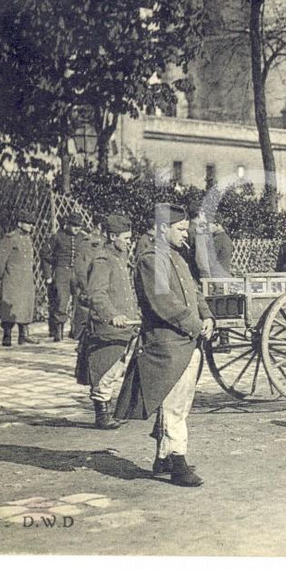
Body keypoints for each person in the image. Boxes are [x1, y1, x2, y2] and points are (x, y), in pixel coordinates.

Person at [114, 203, 214, 487]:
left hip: (185, 341)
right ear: (161, 229)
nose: (187, 234)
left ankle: (163, 457)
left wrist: (207, 316)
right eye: (181, 229)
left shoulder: (176, 257)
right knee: (175, 407)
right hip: (167, 346)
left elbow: (194, 293)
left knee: (176, 403)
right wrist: (196, 326)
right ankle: (178, 464)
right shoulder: (151, 259)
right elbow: (164, 304)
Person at [80, 214, 138, 430]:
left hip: (124, 326)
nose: (129, 242)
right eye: (126, 238)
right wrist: (112, 314)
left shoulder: (120, 259)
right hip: (108, 326)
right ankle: (101, 415)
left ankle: (108, 410)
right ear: (113, 236)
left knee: (117, 368)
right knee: (106, 368)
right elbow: (96, 293)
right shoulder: (103, 260)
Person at [0, 209, 39, 346]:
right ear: (20, 223)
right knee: (10, 307)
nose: (31, 226)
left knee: (25, 306)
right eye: (28, 223)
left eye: (32, 224)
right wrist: (3, 276)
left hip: (25, 279)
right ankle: (6, 336)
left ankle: (23, 336)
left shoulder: (28, 239)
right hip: (12, 279)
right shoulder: (10, 238)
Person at [42, 212, 86, 342]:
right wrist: (48, 274)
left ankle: (76, 331)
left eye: (79, 226)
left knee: (80, 301)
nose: (77, 229)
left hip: (77, 273)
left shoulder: (82, 238)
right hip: (62, 272)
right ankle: (58, 331)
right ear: (68, 225)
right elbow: (45, 254)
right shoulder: (58, 237)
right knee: (61, 300)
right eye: (74, 226)